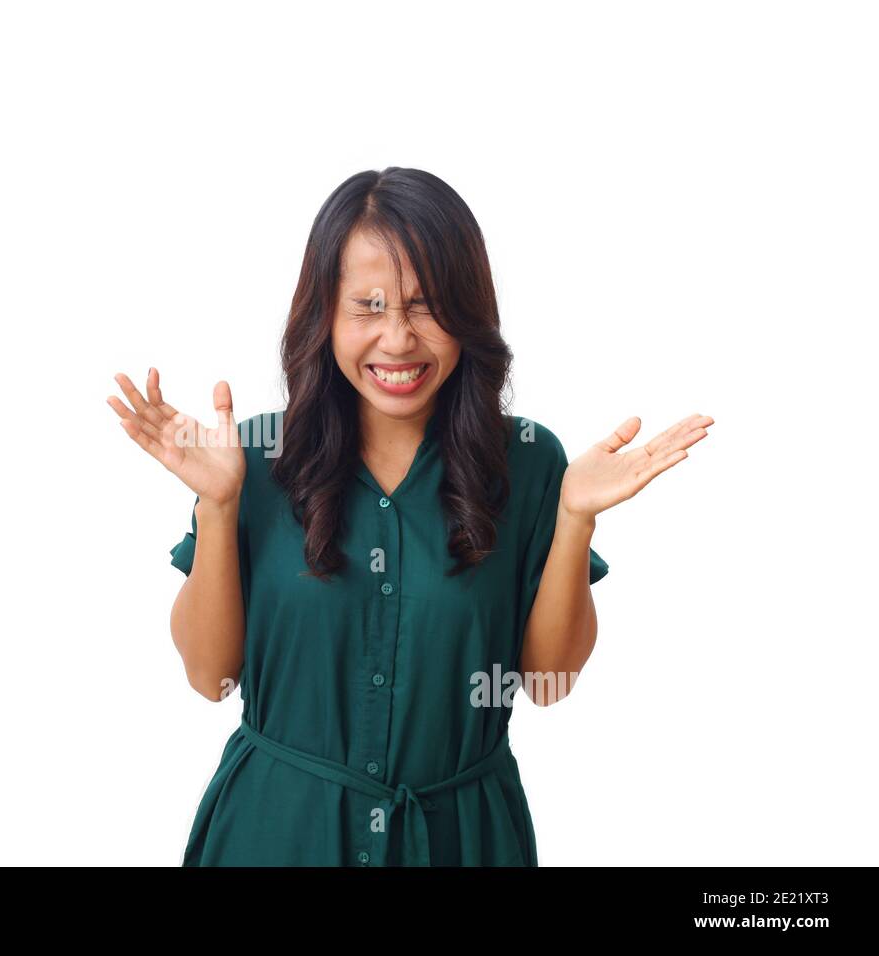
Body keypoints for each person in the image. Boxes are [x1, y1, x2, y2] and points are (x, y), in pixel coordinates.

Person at [107, 167, 713, 866]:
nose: (397, 339)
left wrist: (575, 520)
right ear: (324, 315)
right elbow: (209, 676)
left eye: (426, 306)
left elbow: (549, 682)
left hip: (462, 841)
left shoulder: (531, 463)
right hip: (276, 835)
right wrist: (217, 507)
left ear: (468, 315)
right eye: (367, 305)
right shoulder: (251, 459)